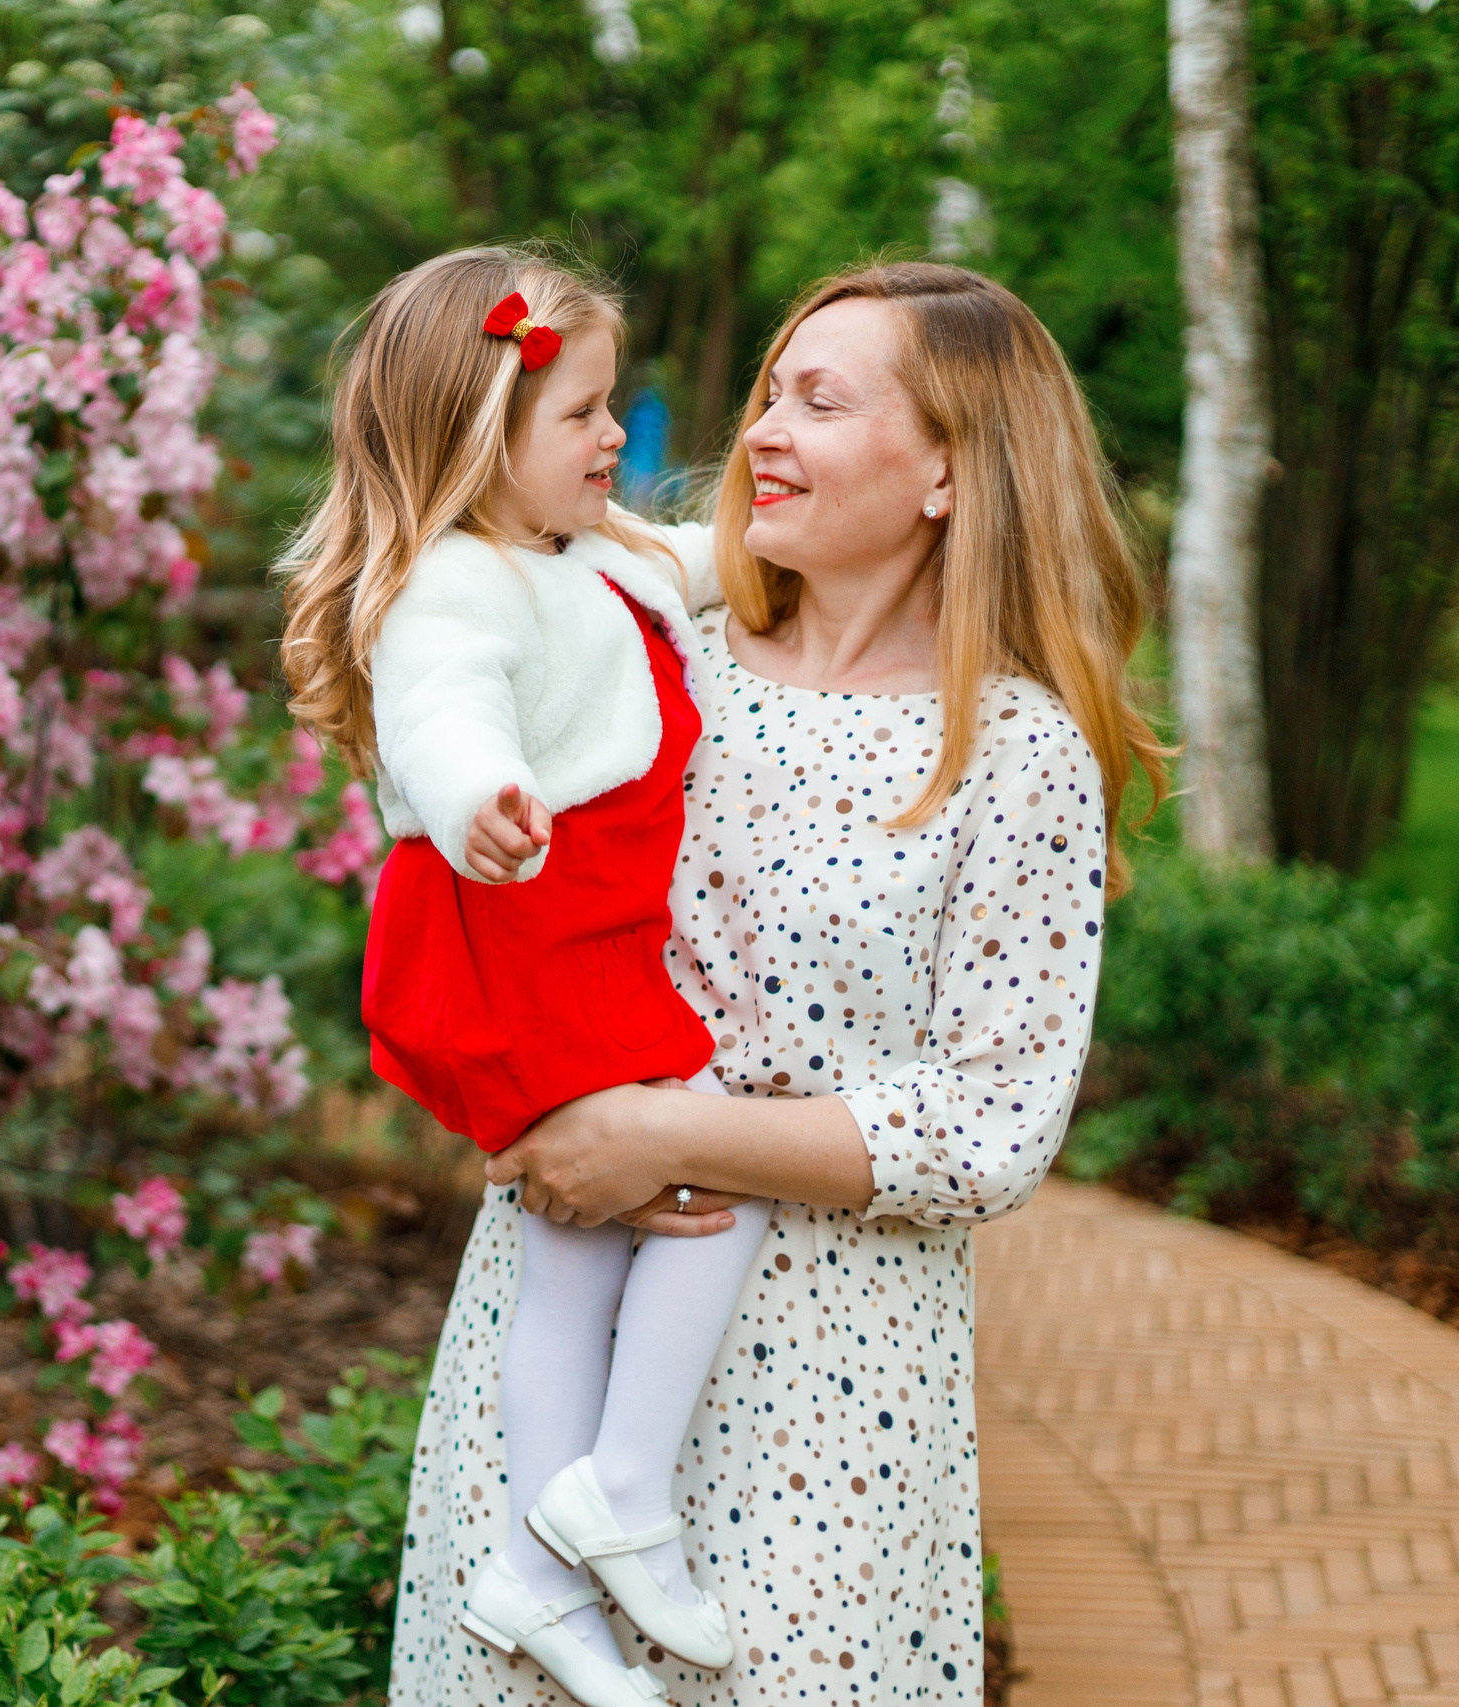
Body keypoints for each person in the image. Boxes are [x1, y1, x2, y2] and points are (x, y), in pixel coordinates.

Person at [385, 261, 1169, 1705]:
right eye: (767, 397)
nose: (760, 435)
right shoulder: (646, 638)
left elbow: (990, 1126)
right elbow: (466, 825)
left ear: (951, 467)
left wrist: (671, 1138)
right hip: (553, 1321)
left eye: (820, 400)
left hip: (829, 1391)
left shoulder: (1013, 753)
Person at [279, 246, 774, 1707]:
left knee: (574, 1266)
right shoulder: (457, 583)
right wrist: (481, 789)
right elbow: (438, 707)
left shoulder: (593, 553)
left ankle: (537, 1570)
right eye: (583, 416)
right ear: (475, 433)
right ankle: (620, 1488)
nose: (615, 440)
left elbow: (702, 567)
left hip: (576, 939)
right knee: (713, 1193)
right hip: (529, 937)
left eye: (614, 406)